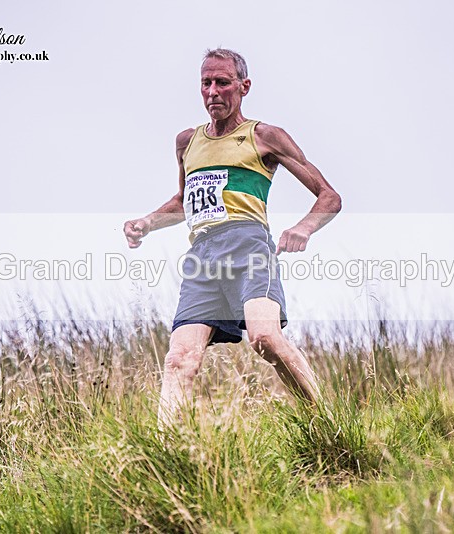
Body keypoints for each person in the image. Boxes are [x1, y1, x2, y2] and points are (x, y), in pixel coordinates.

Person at [123, 48, 341, 428]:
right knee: (179, 358)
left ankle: (326, 423)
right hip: (202, 257)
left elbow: (329, 196)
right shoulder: (187, 142)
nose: (212, 92)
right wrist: (147, 222)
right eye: (205, 83)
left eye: (222, 82)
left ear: (244, 86)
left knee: (265, 339)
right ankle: (165, 453)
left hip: (249, 247)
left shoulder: (264, 137)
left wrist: (302, 228)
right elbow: (183, 200)